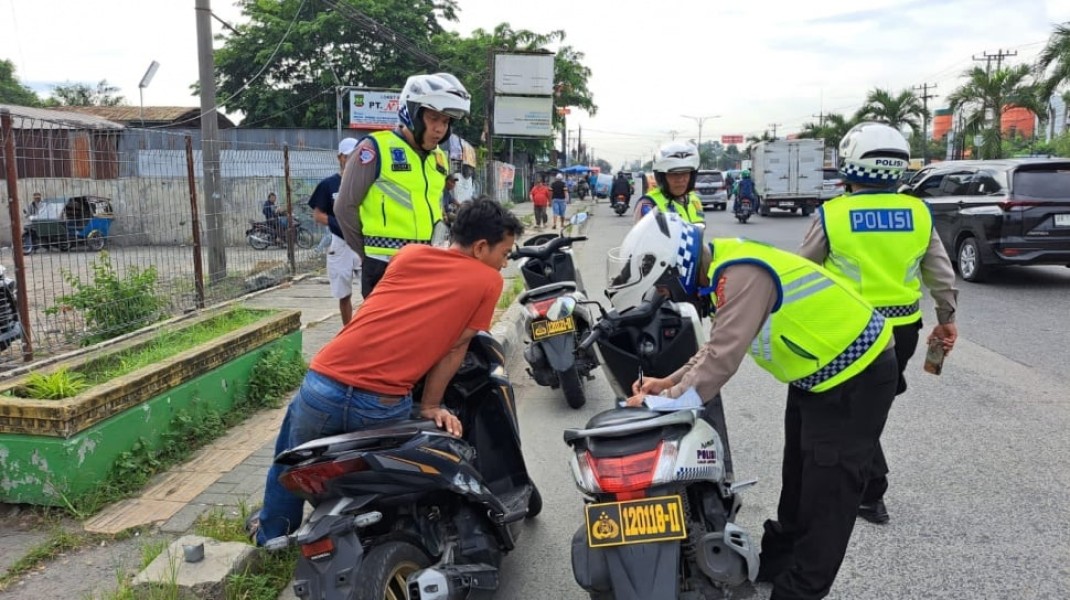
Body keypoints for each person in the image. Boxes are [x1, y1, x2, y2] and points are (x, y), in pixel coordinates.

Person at [623, 211, 898, 600]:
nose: (666, 298)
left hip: (858, 375)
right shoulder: (723, 271)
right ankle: (778, 562)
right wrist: (667, 383)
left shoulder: (741, 275)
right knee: (799, 477)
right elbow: (715, 346)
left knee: (828, 494)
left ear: (676, 267)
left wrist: (657, 404)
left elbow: (721, 360)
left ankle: (799, 591)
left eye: (664, 290)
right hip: (816, 375)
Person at [247, 198, 524, 546]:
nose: (504, 263)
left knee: (290, 461)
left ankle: (272, 538)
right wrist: (430, 405)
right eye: (504, 253)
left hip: (323, 383)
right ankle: (386, 538)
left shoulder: (409, 255)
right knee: (401, 474)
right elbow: (455, 348)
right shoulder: (487, 281)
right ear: (482, 247)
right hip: (380, 402)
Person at [798, 122, 959, 526]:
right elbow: (940, 274)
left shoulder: (833, 215)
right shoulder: (917, 212)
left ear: (850, 165)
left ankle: (870, 492)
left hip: (848, 330)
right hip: (902, 331)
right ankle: (870, 491)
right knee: (871, 408)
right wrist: (947, 319)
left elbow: (803, 272)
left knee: (852, 413)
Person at [336, 72, 471, 297]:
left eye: (446, 122)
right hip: (385, 267)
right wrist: (367, 254)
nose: (440, 129)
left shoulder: (438, 158)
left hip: (428, 264)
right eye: (433, 118)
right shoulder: (374, 148)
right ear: (412, 114)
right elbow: (344, 208)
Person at [308, 137, 363, 325]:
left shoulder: (367, 182)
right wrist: (337, 224)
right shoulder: (328, 185)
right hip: (340, 243)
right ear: (340, 157)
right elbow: (318, 215)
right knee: (344, 292)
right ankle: (348, 330)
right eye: (348, 156)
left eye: (356, 155)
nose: (351, 160)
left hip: (364, 243)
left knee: (371, 290)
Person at [633, 142, 705, 227]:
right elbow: (641, 238)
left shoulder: (694, 200)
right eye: (674, 174)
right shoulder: (649, 204)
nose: (681, 179)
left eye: (685, 173)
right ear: (662, 177)